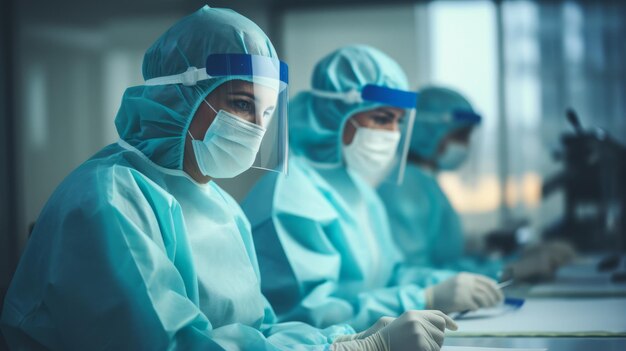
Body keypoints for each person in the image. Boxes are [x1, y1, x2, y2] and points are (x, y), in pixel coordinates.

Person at [0, 8, 456, 351]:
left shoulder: (221, 207)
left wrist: (342, 338)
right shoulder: (109, 200)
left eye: (267, 111)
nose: (256, 127)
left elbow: (259, 330)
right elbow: (172, 345)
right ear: (177, 96)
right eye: (241, 104)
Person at [242, 46, 503, 333]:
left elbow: (393, 274)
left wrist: (440, 284)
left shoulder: (357, 189)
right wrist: (423, 298)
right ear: (335, 114)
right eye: (381, 119)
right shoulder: (290, 197)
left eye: (398, 122)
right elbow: (306, 313)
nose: (392, 133)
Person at [378, 86, 576, 283]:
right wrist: (508, 270)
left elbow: (445, 258)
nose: (466, 145)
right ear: (428, 132)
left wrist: (509, 257)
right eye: (461, 136)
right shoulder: (404, 190)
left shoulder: (423, 182)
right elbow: (415, 275)